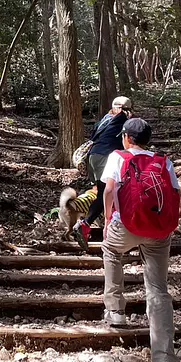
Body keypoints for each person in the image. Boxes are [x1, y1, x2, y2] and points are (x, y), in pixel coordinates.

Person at [100, 117, 181, 362]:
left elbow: (109, 190)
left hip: (126, 226)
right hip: (159, 230)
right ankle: (167, 361)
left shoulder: (118, 157)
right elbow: (176, 194)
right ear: (148, 139)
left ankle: (116, 310)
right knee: (158, 289)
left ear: (126, 137)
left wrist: (107, 218)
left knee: (111, 250)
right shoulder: (163, 161)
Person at [72, 96, 132, 250]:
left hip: (93, 156)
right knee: (109, 192)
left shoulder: (105, 120)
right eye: (126, 109)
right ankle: (86, 224)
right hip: (106, 157)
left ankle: (103, 224)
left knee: (104, 192)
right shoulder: (123, 120)